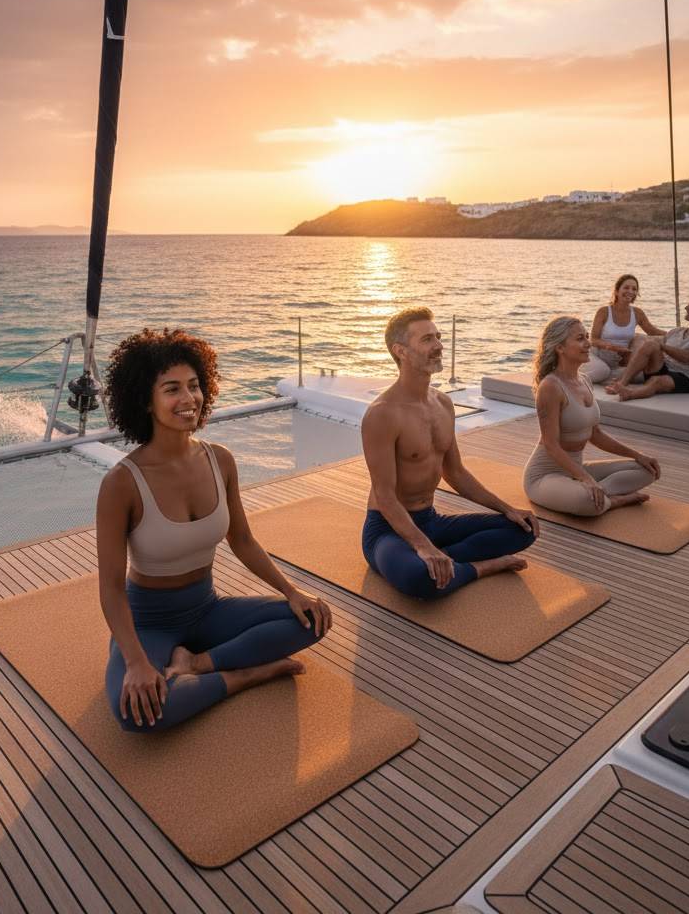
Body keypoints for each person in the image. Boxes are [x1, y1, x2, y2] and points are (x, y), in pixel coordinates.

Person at [96, 328, 332, 733]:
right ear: (146, 401)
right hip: (148, 621)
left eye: (194, 385)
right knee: (134, 713)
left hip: (207, 608)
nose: (189, 398)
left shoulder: (219, 460)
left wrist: (292, 592)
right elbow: (112, 588)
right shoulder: (121, 483)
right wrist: (135, 662)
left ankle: (199, 663)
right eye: (172, 389)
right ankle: (247, 675)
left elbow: (242, 540)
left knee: (313, 618)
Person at [360, 307, 539, 600]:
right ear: (400, 351)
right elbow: (385, 495)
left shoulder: (443, 404)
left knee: (525, 528)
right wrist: (422, 545)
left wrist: (507, 509)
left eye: (438, 337)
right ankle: (480, 567)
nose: (439, 346)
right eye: (427, 339)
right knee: (419, 580)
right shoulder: (382, 414)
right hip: (388, 529)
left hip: (431, 521)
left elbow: (455, 472)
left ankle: (442, 563)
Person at [525, 317, 660, 516]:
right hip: (545, 475)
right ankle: (613, 500)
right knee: (586, 501)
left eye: (587, 337)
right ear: (560, 348)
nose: (588, 343)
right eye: (580, 339)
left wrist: (638, 455)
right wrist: (586, 478)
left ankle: (599, 494)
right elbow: (550, 444)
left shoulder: (585, 380)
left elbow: (595, 434)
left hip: (577, 469)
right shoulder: (550, 387)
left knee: (648, 470)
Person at [606, 291, 689, 400]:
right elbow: (652, 349)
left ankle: (630, 394)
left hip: (685, 377)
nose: (686, 307)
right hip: (662, 367)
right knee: (650, 344)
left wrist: (662, 347)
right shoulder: (676, 331)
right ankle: (622, 383)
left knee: (657, 381)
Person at [583, 274, 665, 383]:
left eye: (634, 289)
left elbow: (652, 331)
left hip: (618, 362)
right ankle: (598, 374)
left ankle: (608, 378)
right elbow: (594, 339)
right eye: (626, 287)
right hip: (597, 356)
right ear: (617, 291)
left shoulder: (637, 313)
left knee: (642, 374)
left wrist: (678, 333)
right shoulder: (604, 311)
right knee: (602, 371)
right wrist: (613, 347)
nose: (630, 291)